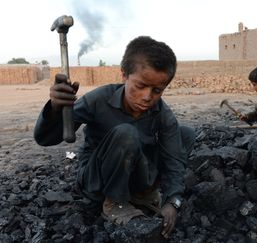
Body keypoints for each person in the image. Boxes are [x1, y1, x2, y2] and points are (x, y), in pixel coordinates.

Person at [34, 36, 195, 239]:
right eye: (141, 86)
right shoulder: (98, 100)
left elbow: (174, 159)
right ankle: (115, 202)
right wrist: (56, 109)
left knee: (185, 134)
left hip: (133, 174)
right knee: (126, 133)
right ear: (124, 75)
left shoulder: (162, 113)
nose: (147, 97)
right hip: (96, 180)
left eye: (157, 90)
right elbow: (46, 138)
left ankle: (143, 195)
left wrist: (173, 201)